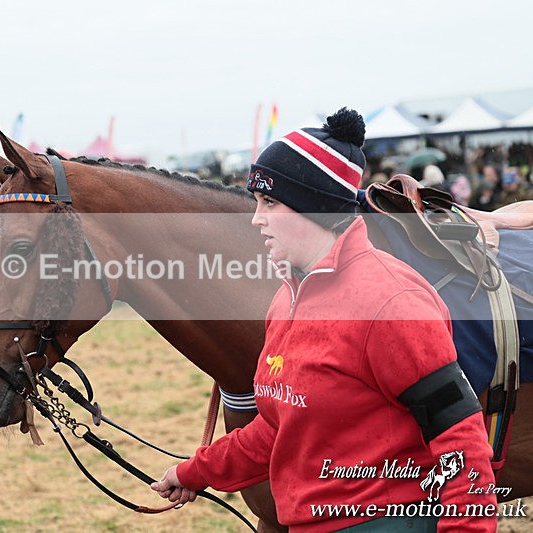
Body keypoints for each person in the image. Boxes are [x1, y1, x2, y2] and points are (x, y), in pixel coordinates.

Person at [151, 108, 496, 532]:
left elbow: (461, 442)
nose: (256, 217)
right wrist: (194, 473)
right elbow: (279, 426)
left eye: (270, 202)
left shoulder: (391, 303)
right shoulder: (285, 301)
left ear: (312, 207)